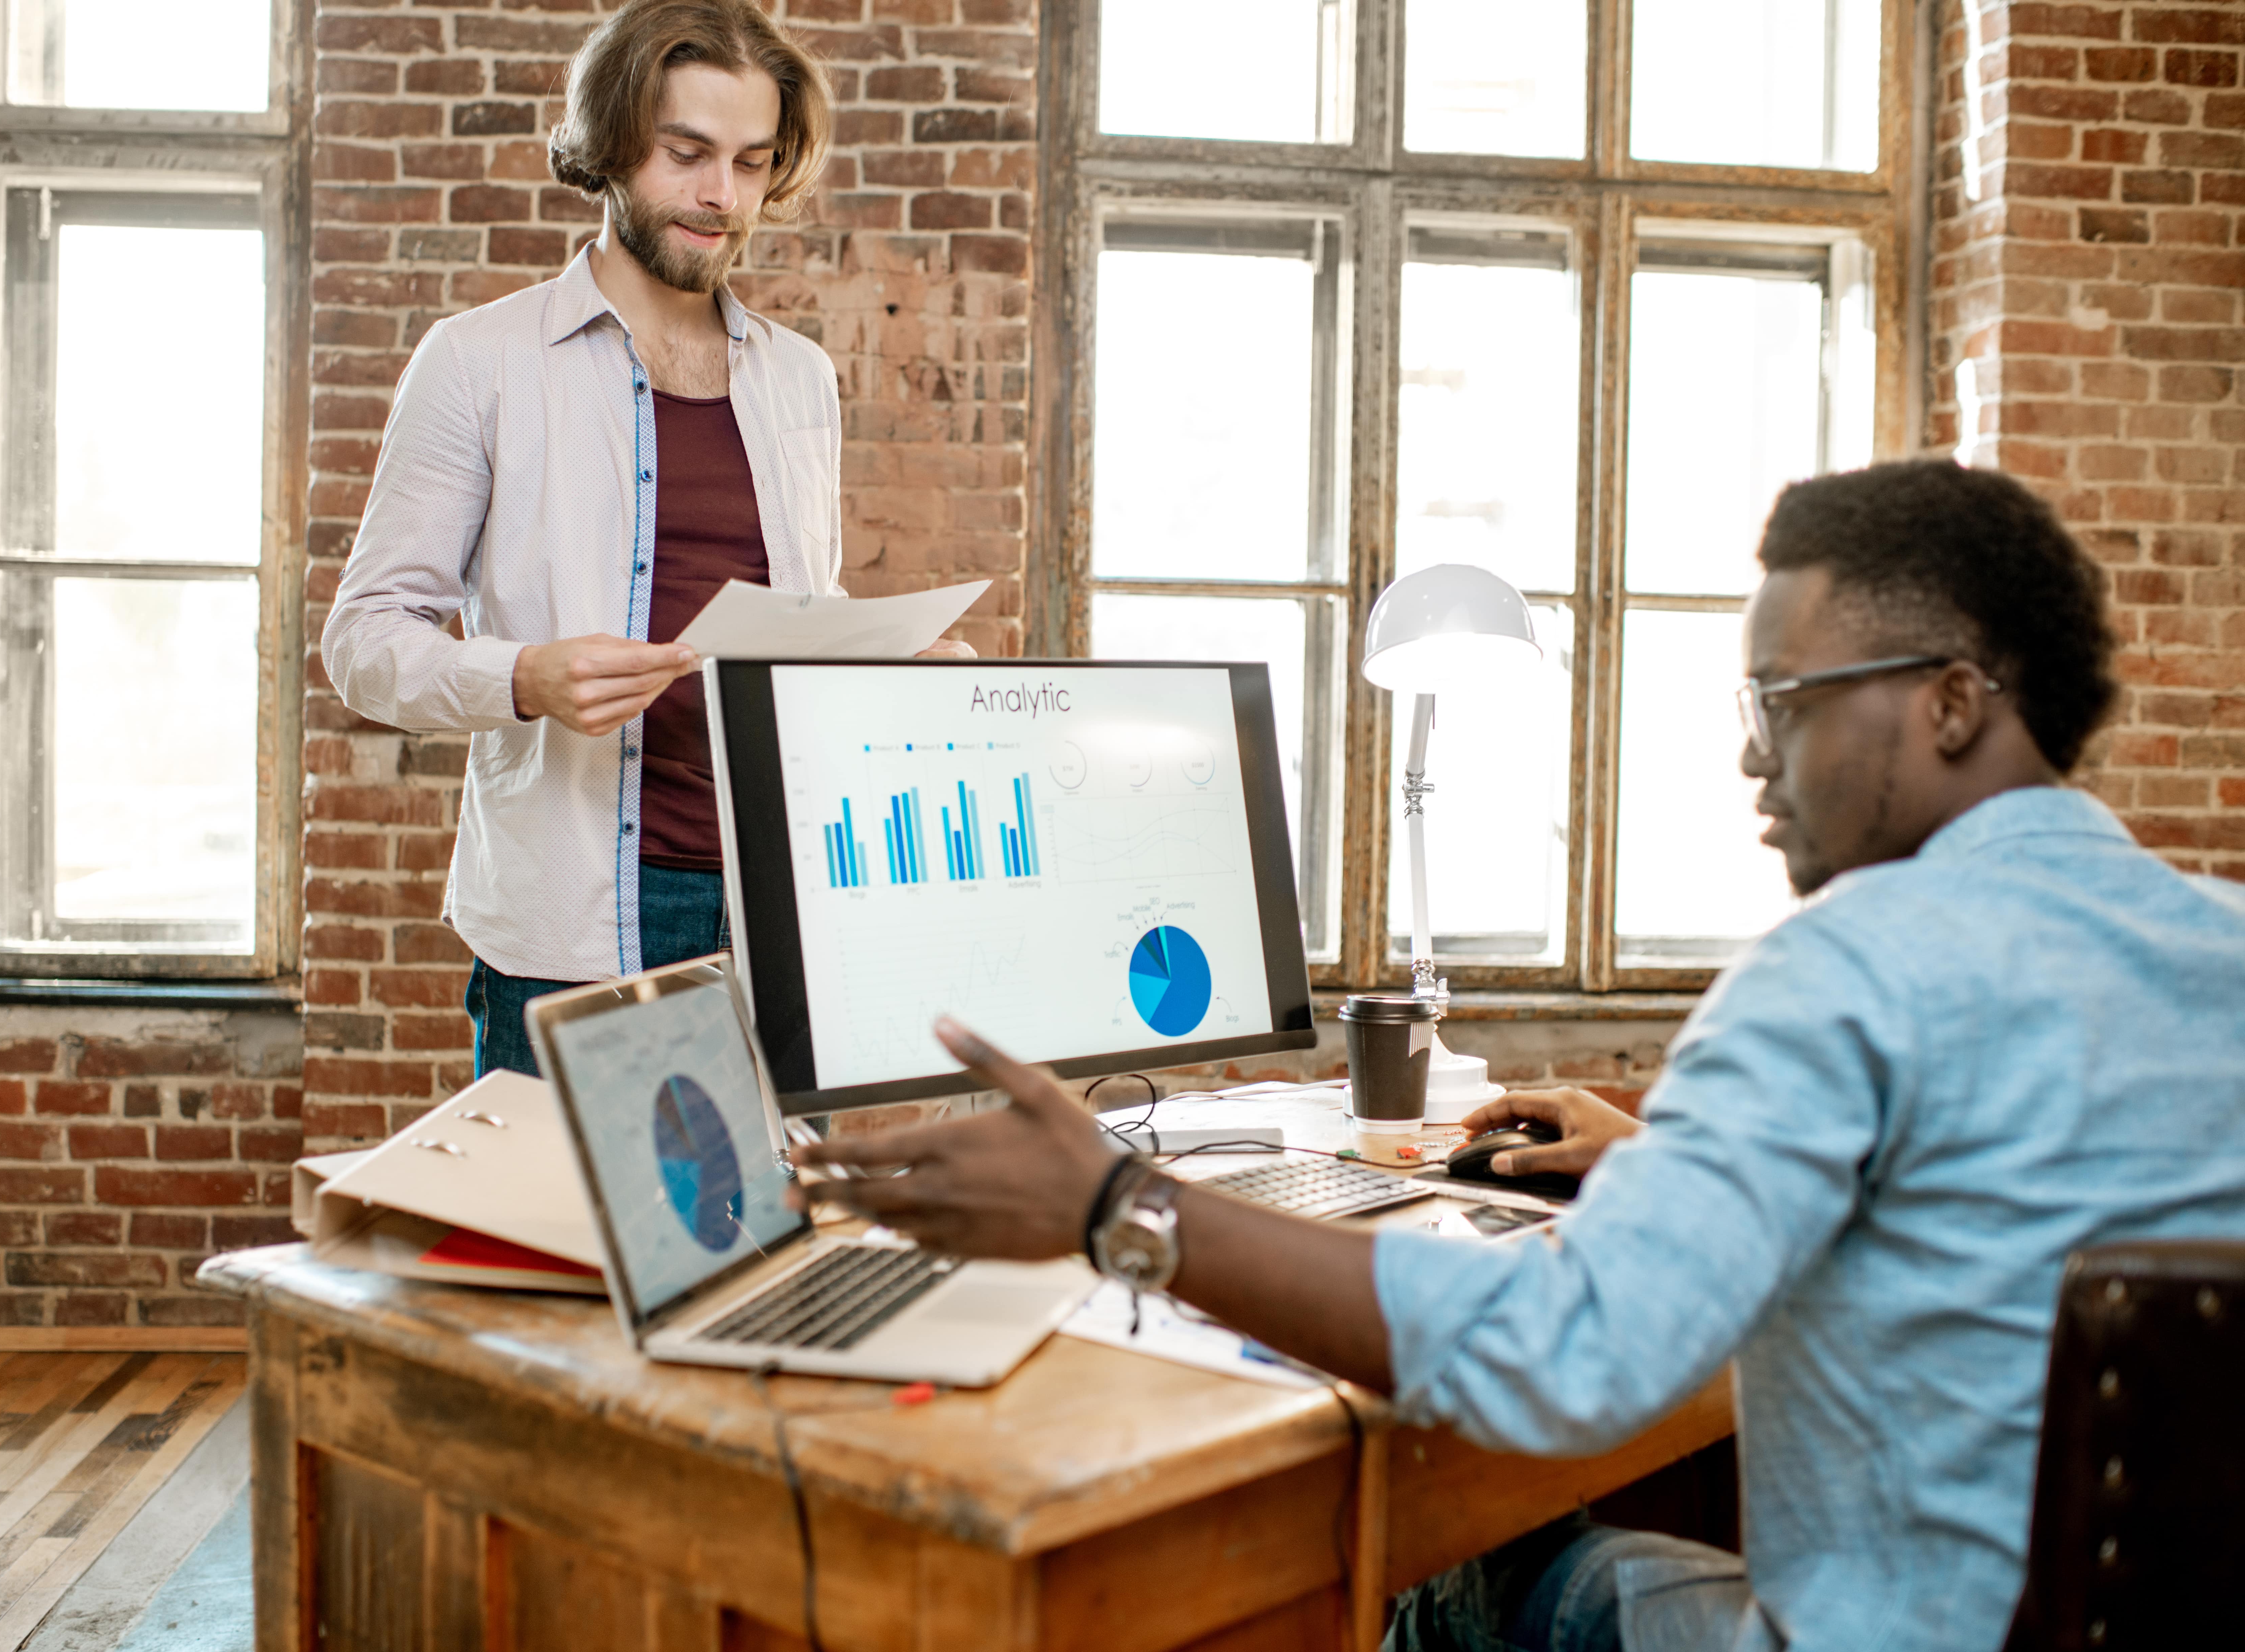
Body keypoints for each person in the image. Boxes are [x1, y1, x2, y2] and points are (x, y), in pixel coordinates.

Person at [787, 460, 2245, 1651]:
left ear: (1950, 700)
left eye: (1781, 702)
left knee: (1473, 1580)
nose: (1753, 758)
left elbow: (1568, 1358)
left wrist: (1117, 1205)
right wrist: (1667, 1162)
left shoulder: (1847, 970)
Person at [323, 0, 965, 1079]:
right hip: (573, 926)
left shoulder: (800, 378)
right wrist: (524, 678)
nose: (724, 197)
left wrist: (893, 670)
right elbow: (364, 642)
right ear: (615, 145)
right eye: (687, 154)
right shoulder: (479, 363)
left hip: (778, 910)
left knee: (760, 1198)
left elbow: (794, 627)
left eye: (754, 163)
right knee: (561, 1200)